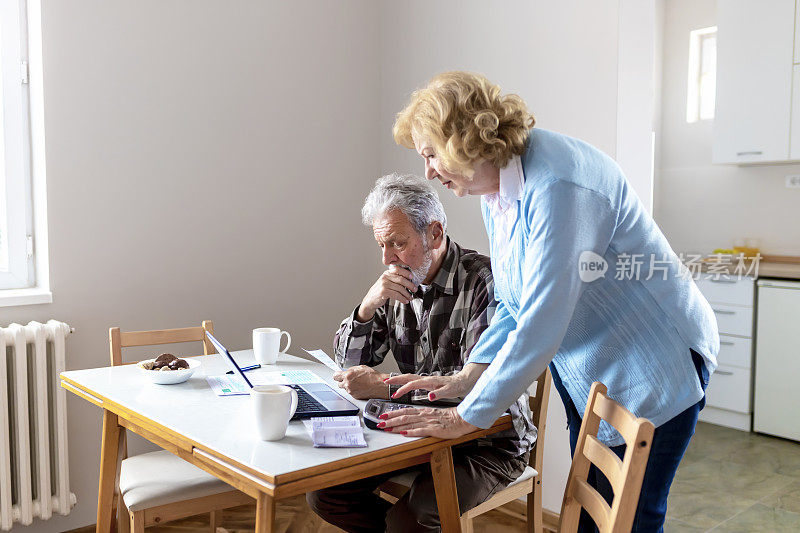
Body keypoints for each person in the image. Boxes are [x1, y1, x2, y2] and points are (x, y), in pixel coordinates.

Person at [380, 71, 719, 532]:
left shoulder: (559, 185)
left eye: (431, 154)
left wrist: (466, 418)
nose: (429, 172)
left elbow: (542, 320)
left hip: (652, 361)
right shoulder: (496, 190)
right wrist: (468, 378)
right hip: (594, 366)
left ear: (463, 141)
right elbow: (513, 304)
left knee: (630, 519)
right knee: (591, 516)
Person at [306, 173, 536, 533]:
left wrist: (385, 388)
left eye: (397, 243)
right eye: (381, 245)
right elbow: (348, 363)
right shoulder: (399, 282)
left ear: (434, 233)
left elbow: (474, 388)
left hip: (487, 439)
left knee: (410, 520)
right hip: (419, 431)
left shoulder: (485, 282)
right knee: (326, 493)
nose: (387, 258)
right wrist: (367, 306)